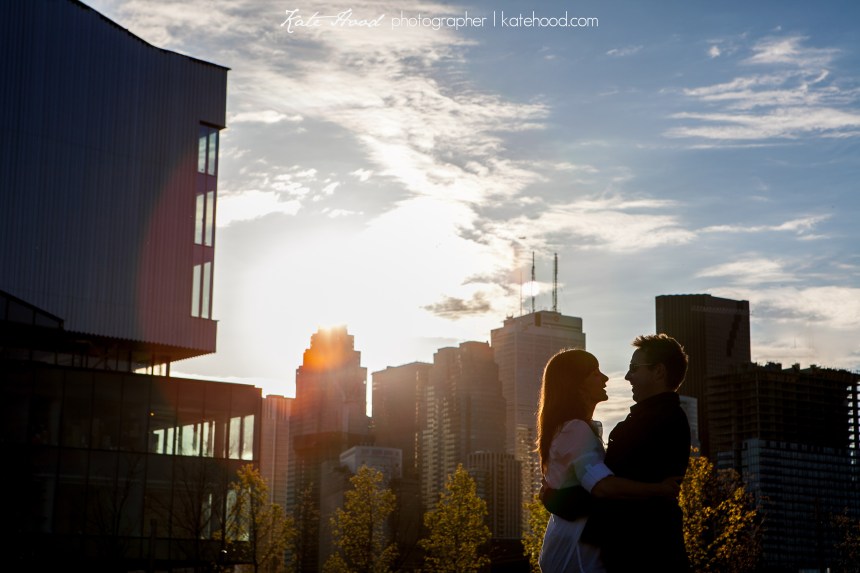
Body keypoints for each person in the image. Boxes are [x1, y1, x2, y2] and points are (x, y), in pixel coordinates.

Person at [542, 334, 692, 572]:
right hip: (628, 551)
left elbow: (606, 488)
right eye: (595, 372)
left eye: (634, 368)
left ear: (659, 372)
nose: (625, 376)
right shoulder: (649, 419)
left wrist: (555, 496)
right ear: (576, 383)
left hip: (643, 552)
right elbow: (604, 485)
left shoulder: (658, 421)